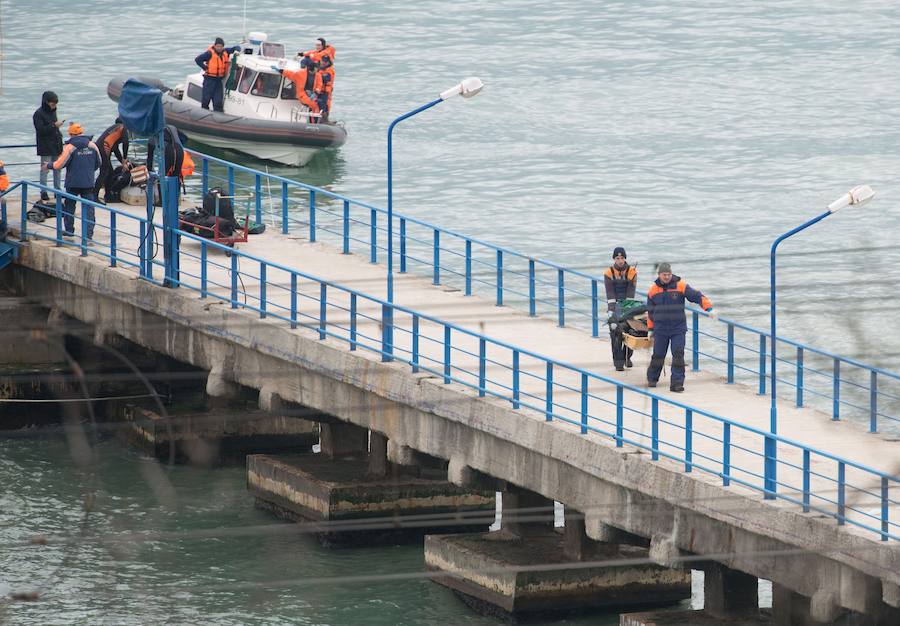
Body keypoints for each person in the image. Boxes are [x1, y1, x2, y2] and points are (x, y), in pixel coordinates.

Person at [645, 262, 717, 392]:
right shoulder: (653, 290)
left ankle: (677, 383)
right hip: (660, 329)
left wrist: (709, 308)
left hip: (678, 328)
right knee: (658, 355)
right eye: (664, 274)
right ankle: (652, 378)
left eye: (669, 274)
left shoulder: (681, 286)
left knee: (678, 354)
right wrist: (650, 329)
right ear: (659, 274)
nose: (667, 277)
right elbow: (650, 312)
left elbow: (697, 296)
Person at [43, 123, 101, 240]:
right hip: (88, 183)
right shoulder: (93, 146)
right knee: (89, 209)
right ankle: (88, 235)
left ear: (70, 134)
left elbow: (59, 164)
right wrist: (89, 172)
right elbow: (99, 163)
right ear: (82, 133)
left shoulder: (70, 147)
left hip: (73, 183)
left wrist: (48, 165)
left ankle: (69, 231)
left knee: (70, 207)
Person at [604, 246, 637, 371]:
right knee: (615, 333)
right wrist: (612, 311)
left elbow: (631, 293)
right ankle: (618, 362)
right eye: (617, 258)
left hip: (628, 305)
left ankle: (627, 357)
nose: (620, 260)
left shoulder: (632, 272)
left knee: (633, 332)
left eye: (622, 258)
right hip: (614, 306)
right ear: (614, 259)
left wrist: (627, 309)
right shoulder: (608, 273)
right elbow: (610, 293)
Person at [195, 37, 242, 112]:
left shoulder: (226, 51)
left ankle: (218, 115)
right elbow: (198, 59)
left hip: (218, 80)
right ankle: (204, 113)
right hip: (209, 80)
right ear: (215, 46)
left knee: (218, 100)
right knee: (206, 99)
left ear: (223, 46)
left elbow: (237, 47)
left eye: (221, 46)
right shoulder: (209, 54)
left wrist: (237, 51)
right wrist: (205, 67)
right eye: (218, 46)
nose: (219, 48)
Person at [32, 91, 63, 202]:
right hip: (45, 146)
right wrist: (54, 125)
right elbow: (41, 130)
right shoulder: (38, 114)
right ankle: (43, 191)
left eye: (55, 103)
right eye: (52, 103)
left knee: (57, 168)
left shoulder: (53, 112)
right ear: (46, 102)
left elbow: (53, 128)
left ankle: (57, 190)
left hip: (56, 144)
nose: (54, 105)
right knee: (45, 170)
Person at [93, 117, 130, 203]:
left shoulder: (115, 130)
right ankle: (94, 195)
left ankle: (108, 196)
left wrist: (122, 161)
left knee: (110, 172)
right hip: (104, 147)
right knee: (104, 171)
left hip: (101, 146)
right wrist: (124, 158)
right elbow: (126, 143)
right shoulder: (122, 127)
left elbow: (115, 149)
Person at [313, 55, 335, 120]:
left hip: (324, 93)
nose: (323, 63)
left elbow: (325, 79)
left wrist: (314, 74)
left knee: (322, 107)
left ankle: (322, 120)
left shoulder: (329, 71)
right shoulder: (320, 68)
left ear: (328, 62)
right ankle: (319, 119)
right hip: (318, 91)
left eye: (325, 62)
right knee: (318, 106)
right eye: (322, 61)